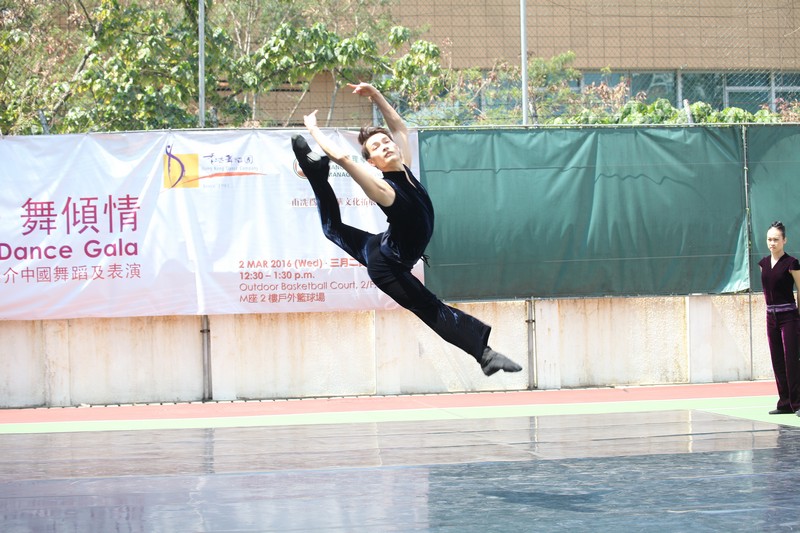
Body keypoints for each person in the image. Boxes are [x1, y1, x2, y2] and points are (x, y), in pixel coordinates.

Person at [290, 82, 522, 376]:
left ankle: (314, 174)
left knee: (332, 229)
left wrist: (375, 94)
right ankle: (485, 355)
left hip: (380, 246)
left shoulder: (406, 167)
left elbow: (398, 125)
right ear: (373, 162)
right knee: (430, 307)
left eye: (385, 142)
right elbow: (345, 158)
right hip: (388, 268)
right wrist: (313, 130)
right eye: (376, 148)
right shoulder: (384, 189)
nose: (384, 146)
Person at [758, 221, 800, 415]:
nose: (772, 243)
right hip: (771, 317)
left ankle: (797, 403)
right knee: (777, 360)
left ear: (784, 240)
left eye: (776, 239)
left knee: (791, 359)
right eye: (769, 239)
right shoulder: (763, 263)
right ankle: (784, 403)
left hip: (789, 317)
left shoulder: (792, 263)